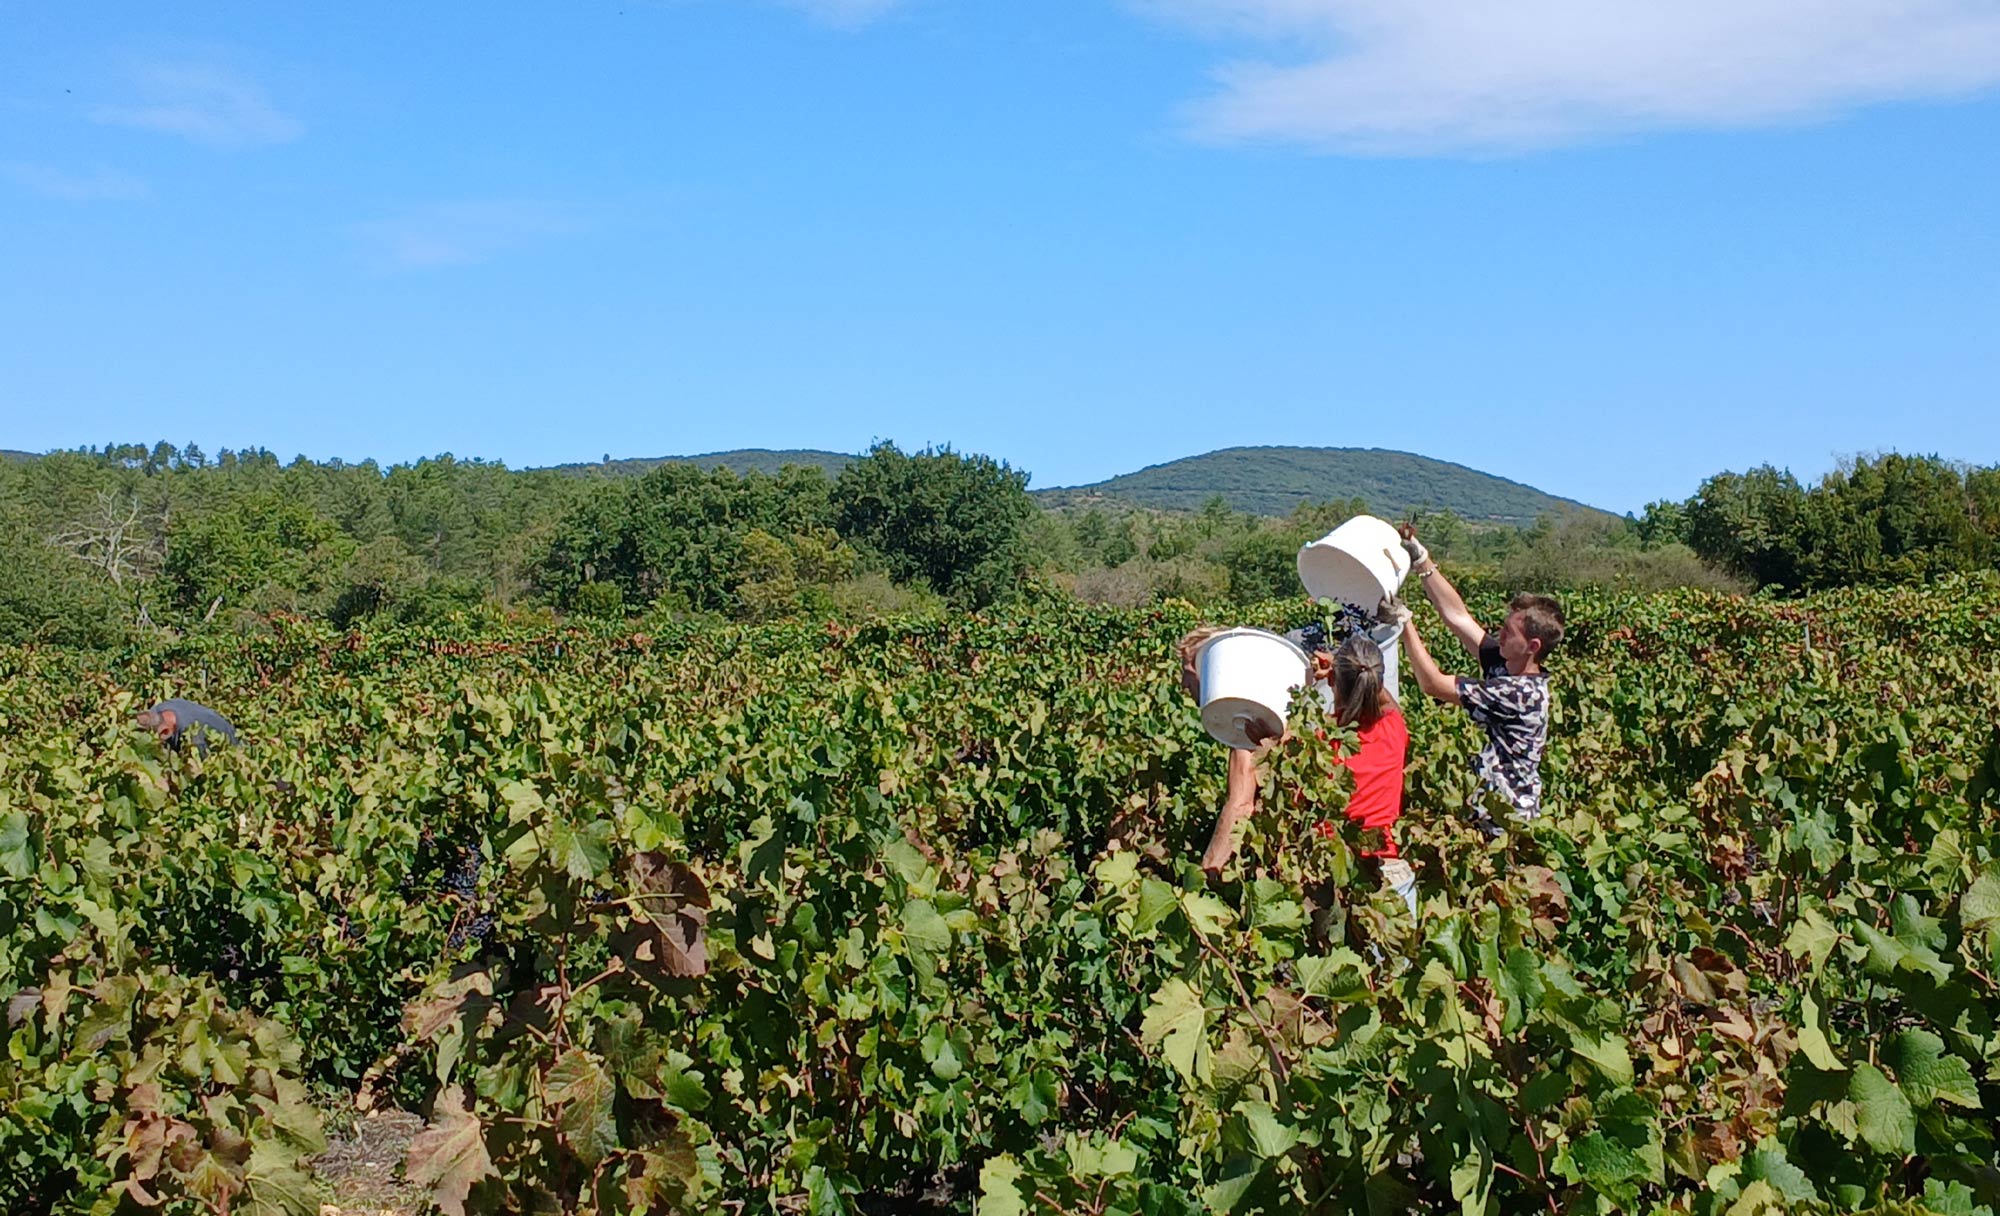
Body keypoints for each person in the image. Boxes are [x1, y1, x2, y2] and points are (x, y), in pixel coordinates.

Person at [1181, 628, 1417, 912]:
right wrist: (1345, 667)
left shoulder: (1314, 748)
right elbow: (1380, 694)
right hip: (1393, 877)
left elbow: (1242, 803)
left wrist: (1203, 882)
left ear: (1333, 681)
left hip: (1335, 885)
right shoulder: (1394, 727)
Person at [1393, 525, 1563, 832]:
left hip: (1505, 823)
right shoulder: (1507, 663)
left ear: (1532, 647)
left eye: (1509, 632)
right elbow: (1459, 617)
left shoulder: (1519, 693)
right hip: (1490, 810)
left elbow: (1432, 684)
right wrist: (1422, 561)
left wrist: (1405, 625)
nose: (1500, 635)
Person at [135, 699, 239, 755]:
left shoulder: (195, 739)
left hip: (233, 745)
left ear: (165, 732)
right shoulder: (160, 709)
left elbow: (199, 772)